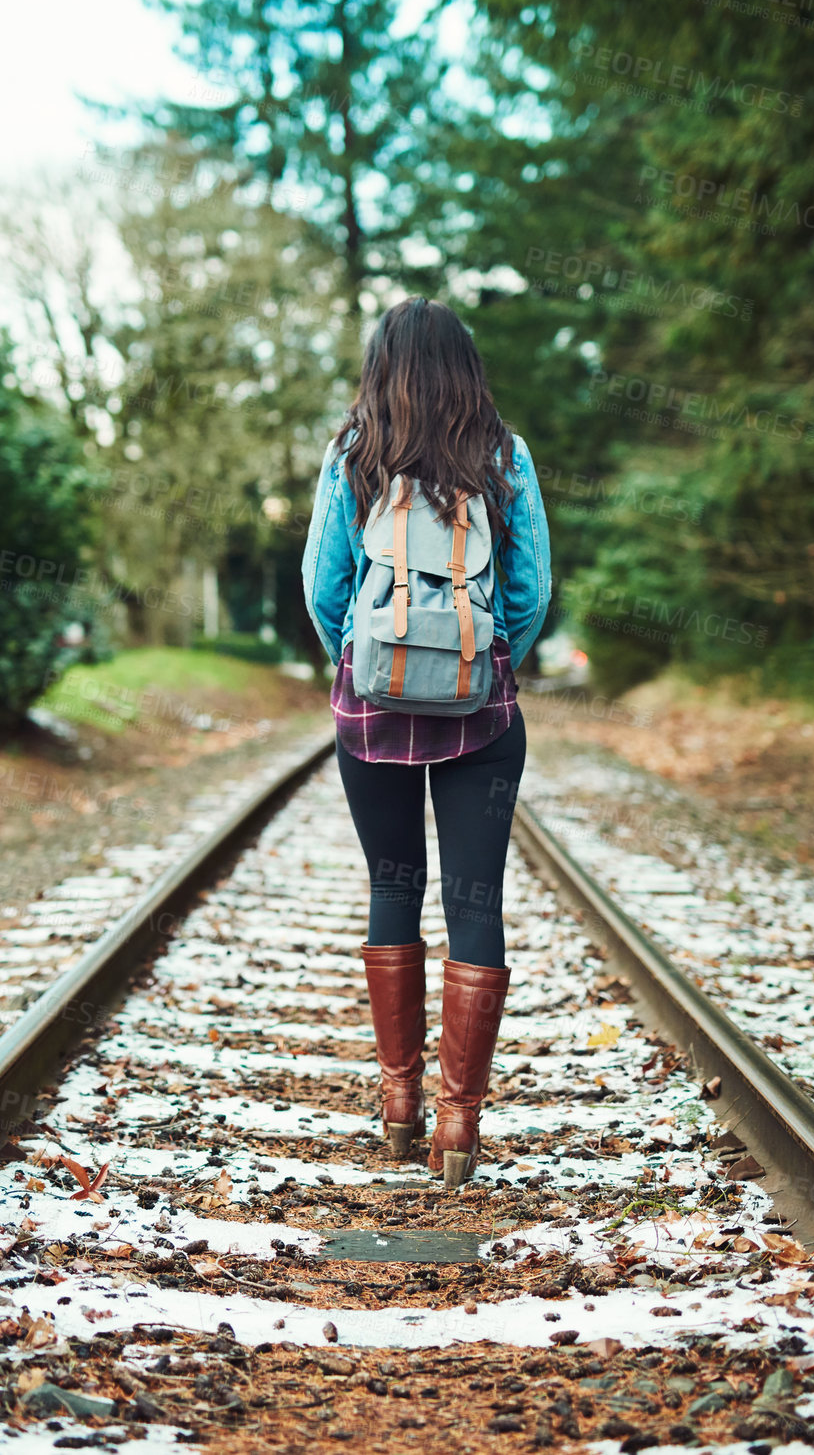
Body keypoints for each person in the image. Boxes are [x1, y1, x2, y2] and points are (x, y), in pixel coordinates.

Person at [301, 296, 551, 1186]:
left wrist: (365, 665)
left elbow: (322, 587)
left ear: (382, 366)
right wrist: (484, 667)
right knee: (474, 901)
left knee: (391, 887)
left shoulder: (354, 453)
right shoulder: (503, 455)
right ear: (465, 367)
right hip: (480, 719)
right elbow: (528, 594)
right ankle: (458, 1127)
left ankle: (398, 1106)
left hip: (371, 716)